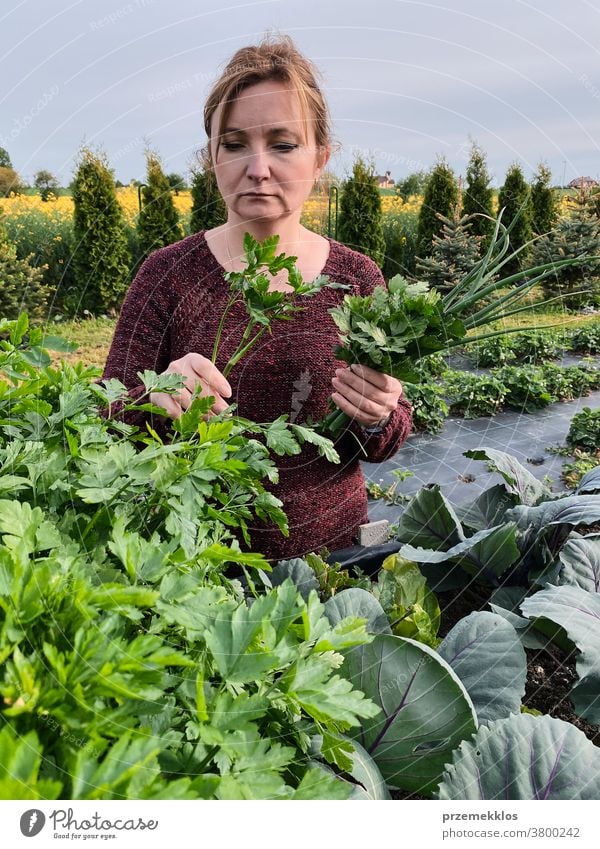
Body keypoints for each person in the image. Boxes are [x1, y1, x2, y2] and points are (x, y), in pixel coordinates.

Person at [101, 33, 413, 562]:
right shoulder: (167, 274)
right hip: (197, 561)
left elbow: (388, 437)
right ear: (212, 158)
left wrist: (379, 414)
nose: (258, 167)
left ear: (320, 159)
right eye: (235, 143)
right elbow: (104, 412)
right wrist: (155, 394)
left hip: (335, 566)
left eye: (284, 144)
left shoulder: (357, 277)